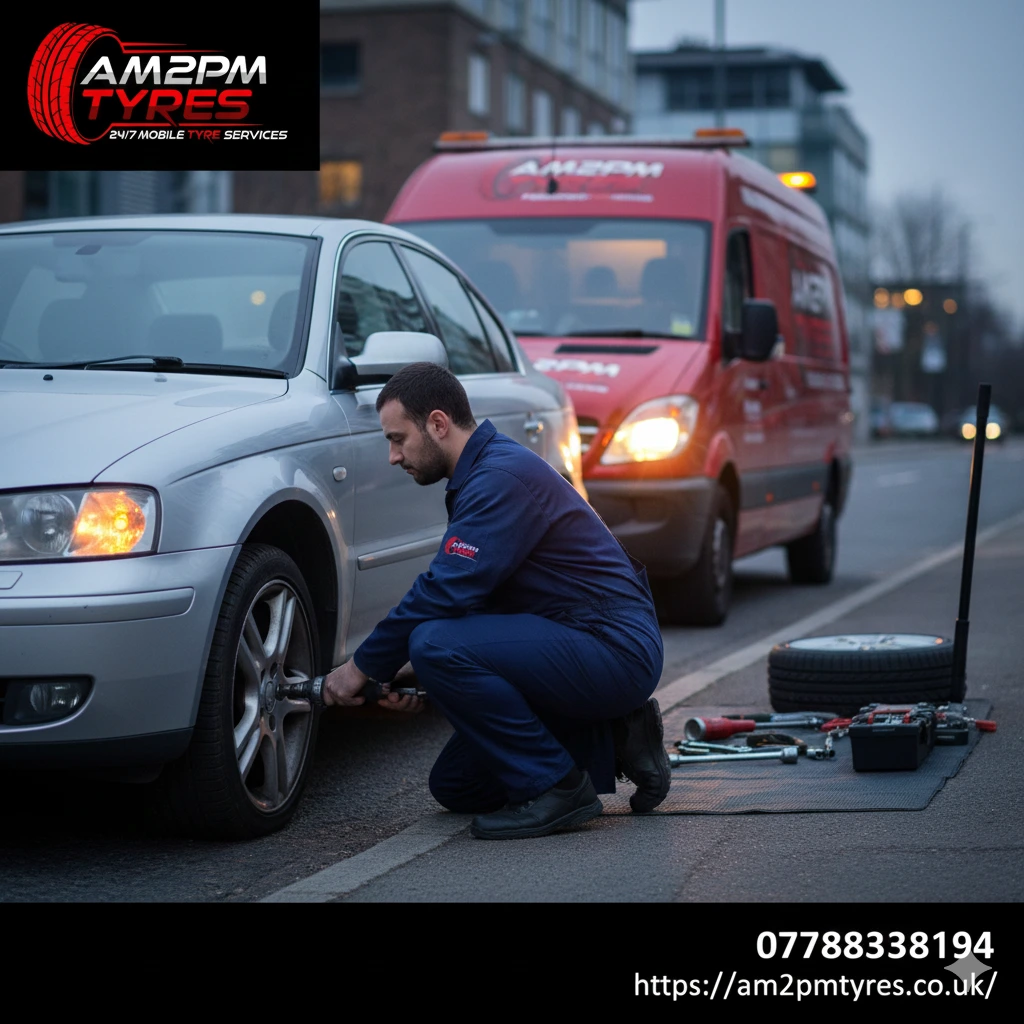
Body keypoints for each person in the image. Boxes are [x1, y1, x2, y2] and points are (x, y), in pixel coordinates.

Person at [322, 362, 670, 839]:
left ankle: (562, 790)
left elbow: (444, 590)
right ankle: (615, 734)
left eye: (398, 438)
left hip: (612, 646)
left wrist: (362, 667)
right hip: (578, 638)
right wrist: (413, 677)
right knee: (457, 786)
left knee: (434, 642)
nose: (392, 456)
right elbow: (479, 602)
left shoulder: (499, 478)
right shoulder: (482, 473)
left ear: (438, 424)